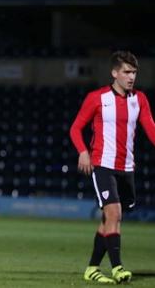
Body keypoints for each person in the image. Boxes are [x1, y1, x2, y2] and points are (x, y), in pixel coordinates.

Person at [69, 51, 155, 284]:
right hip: (103, 165)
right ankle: (118, 268)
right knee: (114, 213)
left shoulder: (140, 100)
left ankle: (92, 269)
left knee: (111, 220)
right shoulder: (97, 98)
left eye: (134, 72)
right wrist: (83, 152)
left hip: (127, 168)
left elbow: (152, 130)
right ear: (114, 73)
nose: (131, 77)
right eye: (127, 72)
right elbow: (75, 128)